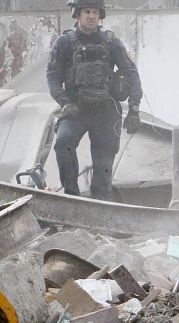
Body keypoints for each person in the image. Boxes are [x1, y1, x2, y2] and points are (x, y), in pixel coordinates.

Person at [46, 0, 142, 200]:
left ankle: (100, 205)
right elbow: (53, 77)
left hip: (106, 112)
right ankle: (71, 198)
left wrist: (134, 109)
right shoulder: (63, 43)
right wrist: (65, 102)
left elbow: (131, 73)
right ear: (78, 15)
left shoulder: (112, 43)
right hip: (75, 109)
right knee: (63, 143)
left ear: (101, 15)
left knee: (104, 163)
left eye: (95, 12)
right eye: (87, 11)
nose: (91, 16)